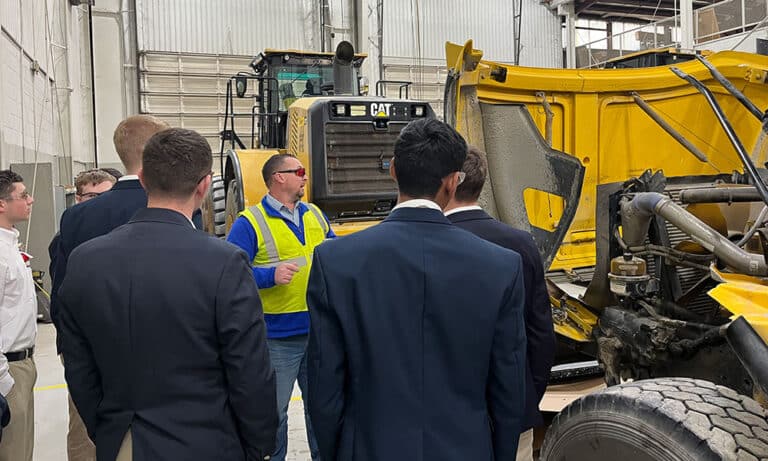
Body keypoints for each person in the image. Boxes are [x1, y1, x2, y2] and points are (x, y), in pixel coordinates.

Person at [305, 118, 527, 461]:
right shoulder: (501, 266)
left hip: (368, 447)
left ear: (393, 170)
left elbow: (323, 385)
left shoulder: (335, 261)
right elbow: (508, 389)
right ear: (453, 182)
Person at [57, 128, 278, 461]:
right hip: (208, 443)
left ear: (143, 178)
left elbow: (80, 367)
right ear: (205, 186)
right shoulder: (224, 262)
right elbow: (249, 370)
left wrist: (108, 431)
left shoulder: (85, 260)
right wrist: (259, 444)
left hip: (123, 441)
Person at [445, 146, 556, 461]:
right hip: (514, 407)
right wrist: (526, 395)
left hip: (448, 416)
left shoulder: (427, 243)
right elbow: (541, 334)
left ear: (448, 182)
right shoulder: (520, 243)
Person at [227, 153, 334, 461]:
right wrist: (268, 275)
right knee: (274, 415)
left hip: (317, 331)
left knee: (322, 410)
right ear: (278, 178)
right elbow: (232, 273)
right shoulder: (250, 222)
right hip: (277, 339)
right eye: (298, 171)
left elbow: (333, 253)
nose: (305, 176)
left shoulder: (314, 213)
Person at [49, 168, 117, 461]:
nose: (99, 203)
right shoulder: (64, 238)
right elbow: (63, 298)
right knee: (82, 422)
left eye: (105, 196)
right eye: (92, 196)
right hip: (83, 343)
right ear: (78, 199)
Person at [0, 170, 37, 461]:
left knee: (22, 451)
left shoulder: (10, 244)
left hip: (23, 363)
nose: (30, 199)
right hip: (8, 369)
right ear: (2, 203)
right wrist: (4, 380)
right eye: (23, 195)